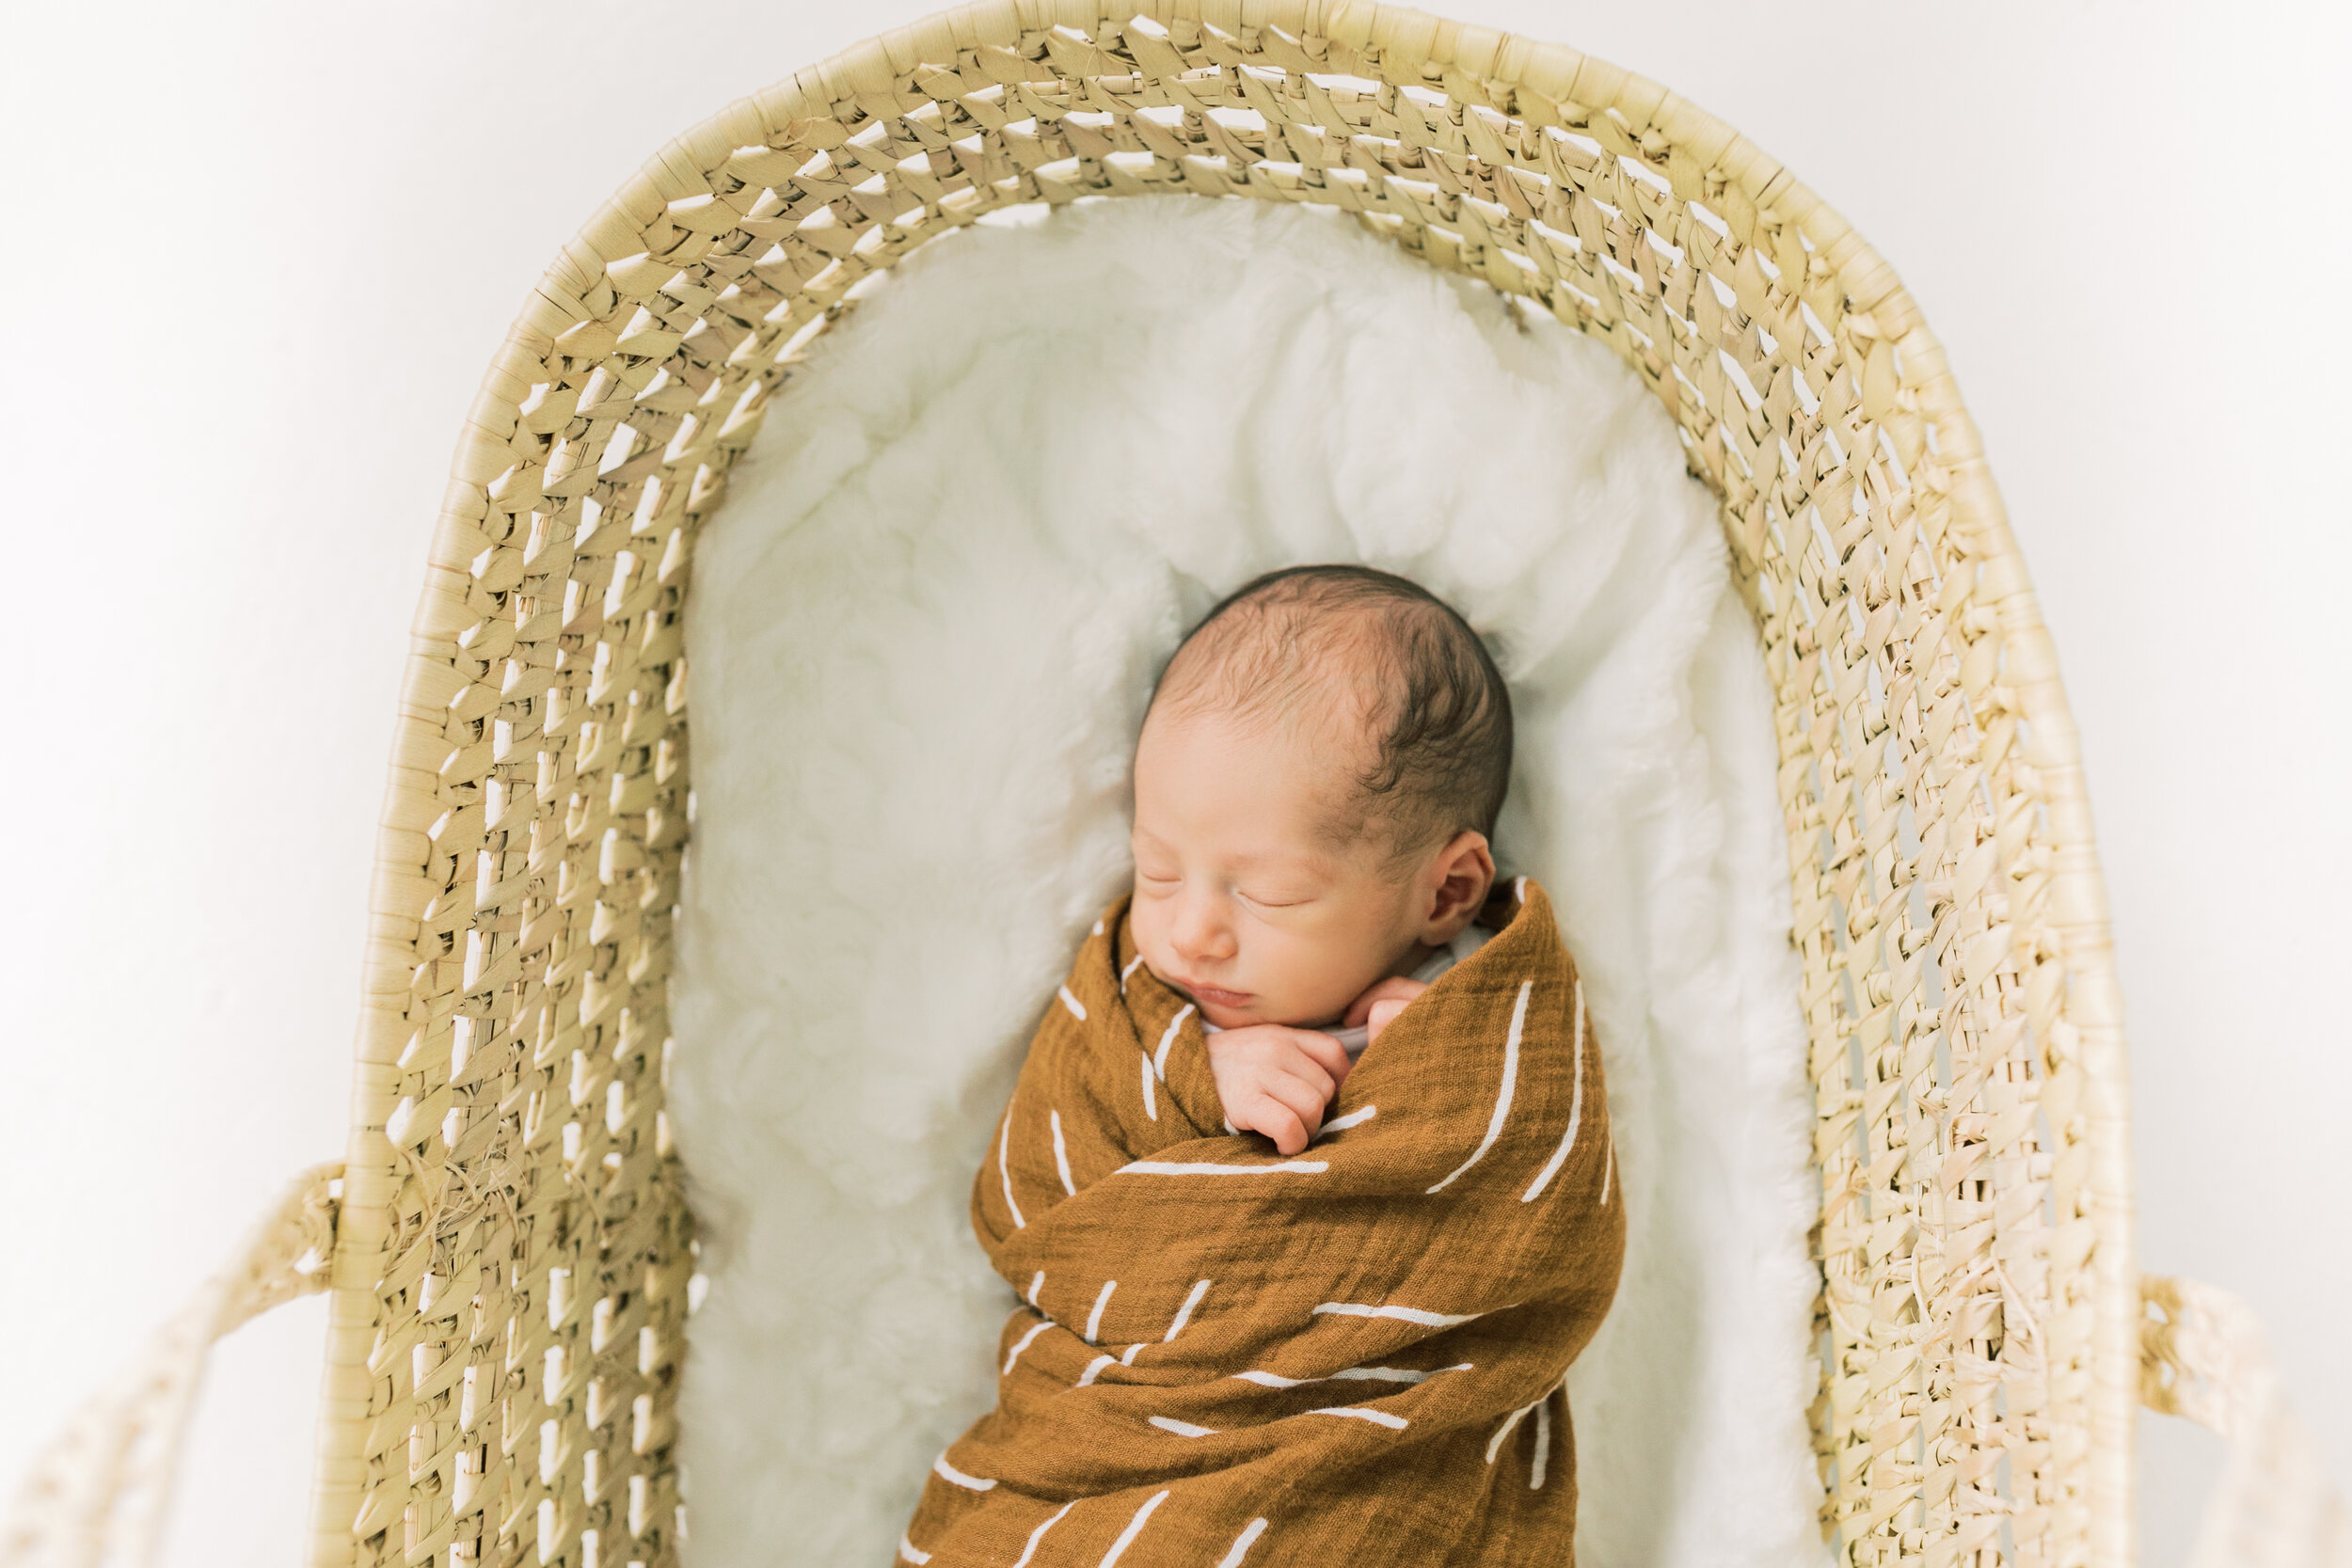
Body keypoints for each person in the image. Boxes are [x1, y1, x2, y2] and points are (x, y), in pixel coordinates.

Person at [898, 563, 1621, 1567]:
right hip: (1117, 1450)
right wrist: (1203, 1070)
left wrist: (1422, 1079)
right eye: (1157, 869)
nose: (1191, 931)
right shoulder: (1141, 1009)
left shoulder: (1491, 1019)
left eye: (1269, 894)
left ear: (1445, 889)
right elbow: (1036, 1183)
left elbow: (1535, 1224)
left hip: (1351, 1469)